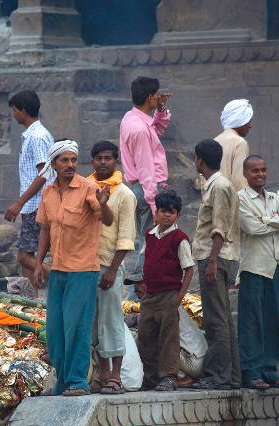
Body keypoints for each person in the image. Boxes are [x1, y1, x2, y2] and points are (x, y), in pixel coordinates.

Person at [33, 140, 113, 396]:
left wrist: (104, 203)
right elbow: (45, 229)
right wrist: (38, 264)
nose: (70, 165)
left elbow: (107, 220)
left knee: (76, 327)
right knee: (55, 331)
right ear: (54, 164)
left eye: (73, 160)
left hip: (83, 270)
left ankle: (78, 381)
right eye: (64, 161)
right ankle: (63, 380)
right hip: (57, 270)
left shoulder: (89, 188)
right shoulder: (47, 193)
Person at [238, 155, 279, 390]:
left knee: (272, 319)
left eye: (263, 170)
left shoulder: (274, 198)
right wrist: (276, 221)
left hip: (275, 266)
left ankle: (269, 371)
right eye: (254, 171)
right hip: (253, 267)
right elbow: (251, 227)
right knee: (252, 321)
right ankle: (251, 372)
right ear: (246, 174)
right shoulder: (241, 199)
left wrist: (267, 219)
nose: (260, 174)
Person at [190, 139, 241, 390]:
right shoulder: (217, 184)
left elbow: (219, 227)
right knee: (223, 319)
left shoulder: (218, 186)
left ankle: (218, 377)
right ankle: (232, 376)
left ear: (200, 159)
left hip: (215, 256)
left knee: (215, 320)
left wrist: (211, 260)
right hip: (219, 256)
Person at [87, 140, 137, 395]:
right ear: (93, 161)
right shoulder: (86, 189)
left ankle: (115, 376)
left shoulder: (125, 195)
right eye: (99, 158)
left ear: (115, 161)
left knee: (112, 321)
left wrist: (113, 270)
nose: (103, 162)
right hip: (86, 266)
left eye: (108, 158)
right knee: (94, 323)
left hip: (110, 266)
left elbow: (126, 237)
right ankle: (101, 373)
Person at [138, 190, 194, 391]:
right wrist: (144, 287)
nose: (166, 215)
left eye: (171, 212)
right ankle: (149, 376)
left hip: (169, 295)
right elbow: (148, 261)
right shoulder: (150, 235)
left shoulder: (180, 238)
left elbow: (189, 269)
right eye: (163, 211)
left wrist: (178, 298)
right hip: (150, 296)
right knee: (146, 336)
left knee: (168, 338)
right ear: (156, 213)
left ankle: (169, 376)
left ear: (177, 215)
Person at [120, 76, 172, 278]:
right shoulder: (139, 129)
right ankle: (137, 289)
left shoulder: (131, 118)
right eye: (156, 96)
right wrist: (154, 203)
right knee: (150, 240)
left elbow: (157, 128)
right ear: (150, 97)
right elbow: (146, 169)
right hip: (147, 188)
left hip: (143, 188)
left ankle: (144, 285)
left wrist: (160, 110)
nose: (159, 98)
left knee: (149, 238)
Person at [5, 90, 54, 282]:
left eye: (15, 110)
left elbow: (45, 173)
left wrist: (19, 202)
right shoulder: (34, 135)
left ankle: (62, 279)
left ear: (23, 111)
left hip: (36, 204)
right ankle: (28, 302)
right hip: (32, 205)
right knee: (28, 258)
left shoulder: (38, 136)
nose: (13, 114)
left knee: (24, 257)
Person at [214, 98, 253, 191]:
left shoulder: (215, 140)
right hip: (230, 201)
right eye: (248, 121)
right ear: (240, 121)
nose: (250, 126)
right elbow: (239, 181)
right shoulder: (240, 143)